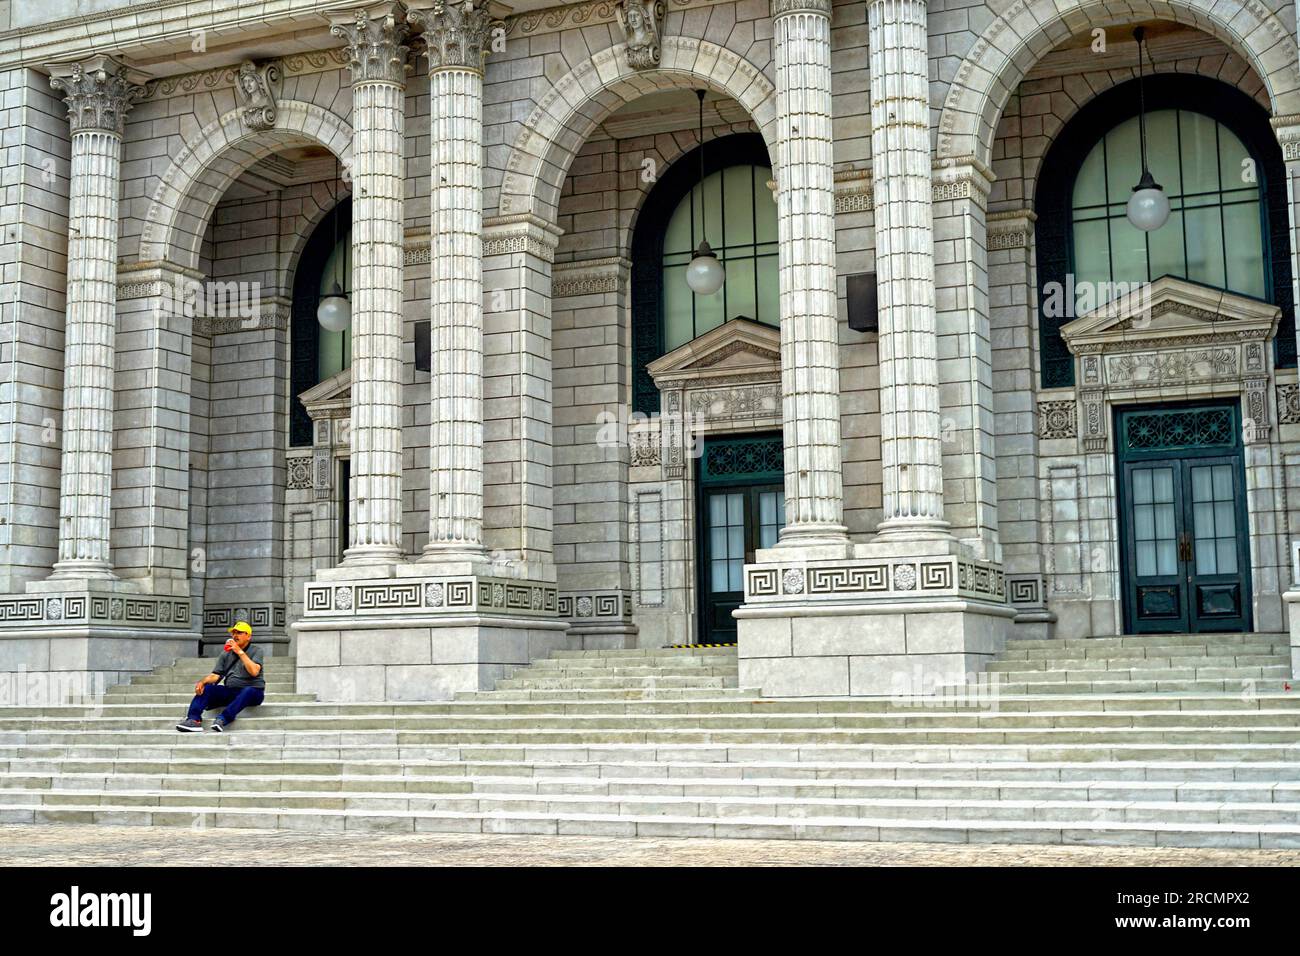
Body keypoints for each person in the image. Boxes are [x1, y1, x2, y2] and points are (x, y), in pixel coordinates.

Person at [175, 621, 266, 732]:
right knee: (207, 688)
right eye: (234, 633)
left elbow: (254, 672)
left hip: (253, 692)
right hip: (231, 691)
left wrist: (240, 652)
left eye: (240, 633)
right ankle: (193, 720)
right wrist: (202, 682)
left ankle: (223, 719)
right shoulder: (226, 653)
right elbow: (216, 675)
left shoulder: (257, 651)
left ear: (248, 636)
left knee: (248, 691)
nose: (235, 635)